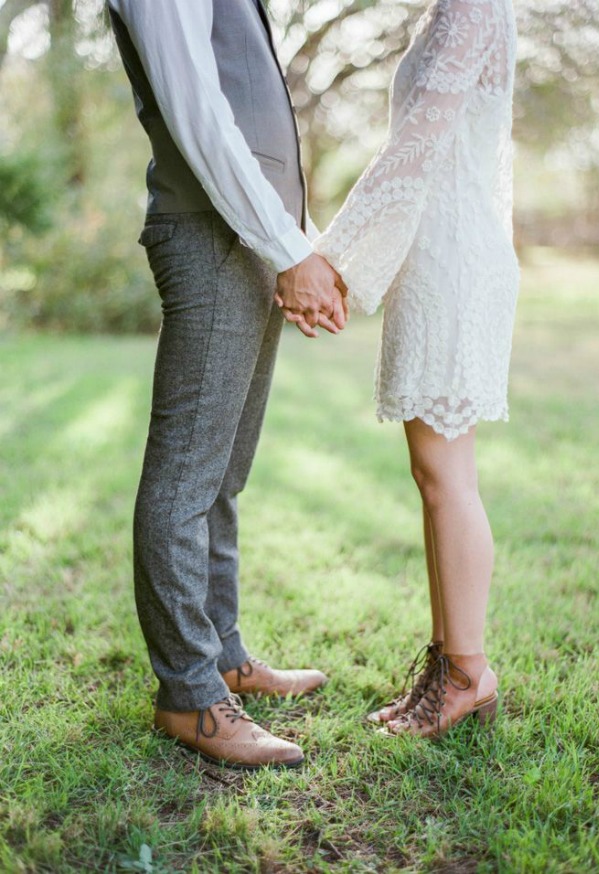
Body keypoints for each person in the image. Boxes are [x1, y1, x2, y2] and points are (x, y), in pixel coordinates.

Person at [107, 0, 348, 770]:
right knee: (186, 478)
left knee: (222, 476)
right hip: (213, 232)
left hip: (248, 237)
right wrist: (285, 246)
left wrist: (293, 244)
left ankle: (223, 657)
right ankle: (189, 696)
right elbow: (197, 108)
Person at [299, 0, 520, 738]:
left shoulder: (473, 7)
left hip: (452, 262)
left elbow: (416, 145)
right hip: (435, 259)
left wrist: (332, 258)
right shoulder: (446, 11)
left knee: (448, 476)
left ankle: (467, 673)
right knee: (435, 476)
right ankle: (448, 664)